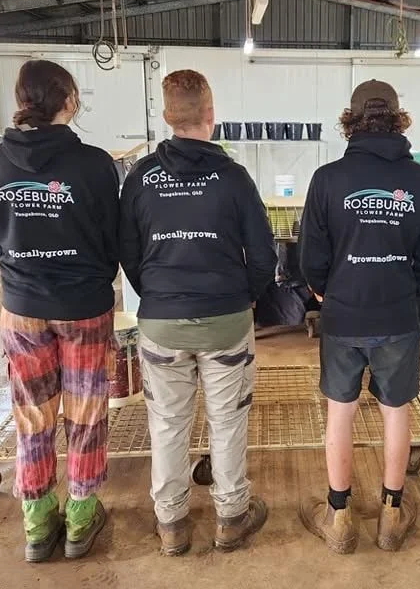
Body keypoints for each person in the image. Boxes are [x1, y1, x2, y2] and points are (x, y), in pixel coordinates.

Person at [119, 69, 277, 555]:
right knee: (227, 421)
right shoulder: (233, 177)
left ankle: (171, 525)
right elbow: (265, 254)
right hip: (226, 318)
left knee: (168, 423)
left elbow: (127, 250)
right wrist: (244, 297)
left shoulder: (142, 177)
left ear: (167, 117)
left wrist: (159, 295)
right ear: (211, 116)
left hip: (162, 318)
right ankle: (231, 517)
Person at [0, 60, 120, 562]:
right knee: (85, 412)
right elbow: (113, 238)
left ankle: (38, 524)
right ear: (70, 101)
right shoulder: (96, 165)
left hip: (22, 307)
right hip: (84, 306)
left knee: (31, 415)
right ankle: (81, 518)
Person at [298, 80, 420, 554]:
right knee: (395, 412)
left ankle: (339, 517)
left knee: (340, 413)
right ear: (398, 119)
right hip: (400, 314)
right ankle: (391, 514)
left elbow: (310, 257)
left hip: (342, 314)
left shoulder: (327, 179)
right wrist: (404, 291)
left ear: (352, 121)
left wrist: (330, 292)